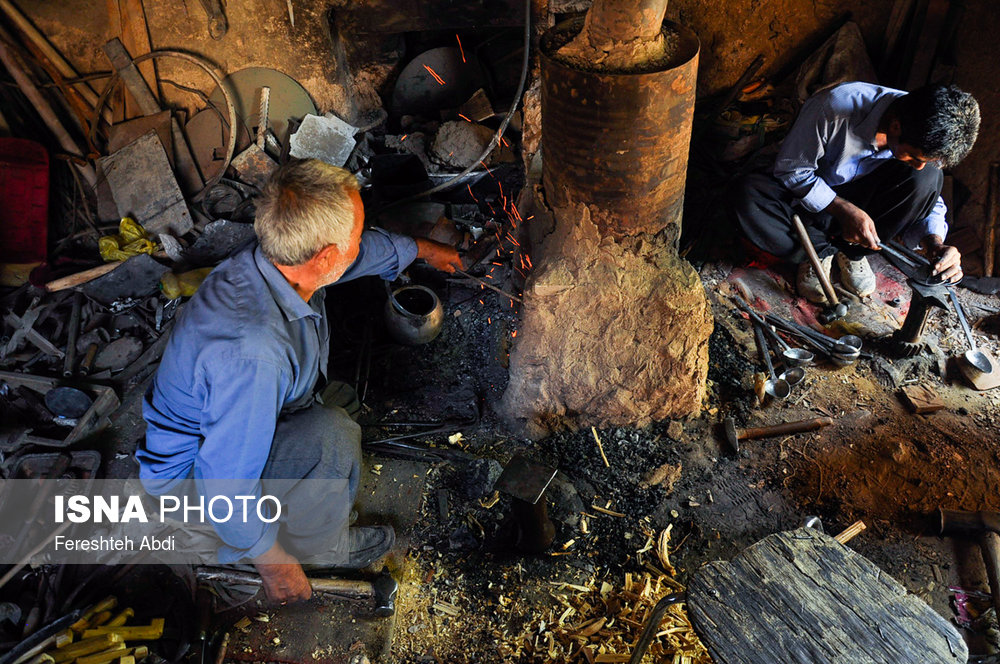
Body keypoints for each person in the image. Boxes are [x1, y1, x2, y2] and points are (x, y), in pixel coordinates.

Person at [138, 159, 462, 604]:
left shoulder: (281, 260)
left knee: (335, 408)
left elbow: (361, 255)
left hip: (245, 410)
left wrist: (423, 250)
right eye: (354, 233)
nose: (359, 242)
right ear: (325, 256)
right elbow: (224, 489)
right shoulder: (254, 355)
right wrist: (277, 566)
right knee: (333, 435)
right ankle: (321, 547)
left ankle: (304, 469)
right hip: (196, 484)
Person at [733, 82, 980, 303]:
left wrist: (934, 243)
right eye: (914, 156)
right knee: (749, 196)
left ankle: (851, 251)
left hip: (864, 198)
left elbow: (928, 197)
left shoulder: (922, 125)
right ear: (895, 126)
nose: (917, 164)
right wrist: (842, 208)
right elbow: (793, 170)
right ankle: (819, 251)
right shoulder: (833, 108)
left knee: (927, 178)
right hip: (807, 197)